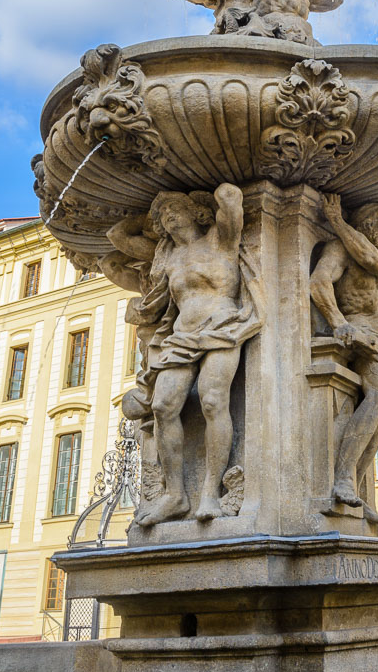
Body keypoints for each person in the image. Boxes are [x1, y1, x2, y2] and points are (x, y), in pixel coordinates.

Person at [107, 184, 264, 525]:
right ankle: (175, 495)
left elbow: (231, 206)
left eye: (175, 209)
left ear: (197, 213)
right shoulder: (169, 258)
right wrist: (145, 218)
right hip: (180, 336)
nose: (169, 217)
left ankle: (210, 491)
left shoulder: (220, 241)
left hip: (224, 325)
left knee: (212, 400)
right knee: (163, 406)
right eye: (163, 216)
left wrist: (223, 195)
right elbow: (115, 237)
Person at [309, 194, 378, 521]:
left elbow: (372, 260)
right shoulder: (337, 250)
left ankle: (357, 489)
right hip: (363, 333)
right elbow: (318, 283)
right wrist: (339, 322)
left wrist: (338, 221)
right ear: (369, 222)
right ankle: (342, 479)